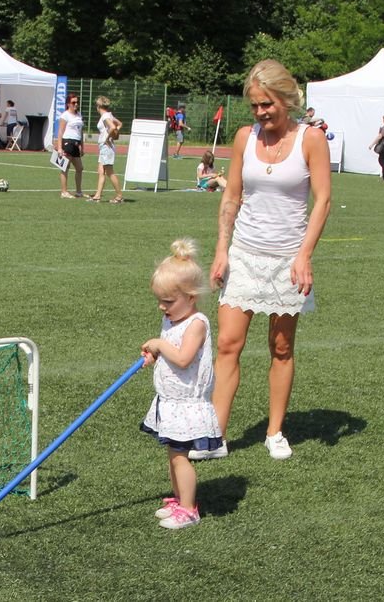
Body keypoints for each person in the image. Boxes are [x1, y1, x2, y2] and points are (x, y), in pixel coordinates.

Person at [209, 59, 331, 461]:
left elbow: (323, 201)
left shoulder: (311, 139)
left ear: (286, 99)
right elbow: (231, 196)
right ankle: (215, 434)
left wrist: (304, 255)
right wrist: (221, 250)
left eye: (267, 104)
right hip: (244, 252)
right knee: (228, 343)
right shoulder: (245, 137)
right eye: (256, 106)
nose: (261, 113)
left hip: (287, 260)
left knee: (281, 347)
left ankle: (274, 432)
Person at [140, 238, 222, 529]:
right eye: (159, 300)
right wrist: (155, 354)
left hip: (187, 404)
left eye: (169, 301)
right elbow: (171, 350)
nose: (163, 307)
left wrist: (160, 345)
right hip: (171, 401)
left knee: (180, 457)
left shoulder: (196, 323)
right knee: (173, 454)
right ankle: (179, 498)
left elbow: (184, 357)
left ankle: (189, 509)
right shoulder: (174, 319)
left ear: (192, 297)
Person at [86, 96, 124, 203]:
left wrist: (108, 138)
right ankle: (97, 195)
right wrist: (113, 135)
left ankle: (119, 196)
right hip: (104, 147)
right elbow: (119, 124)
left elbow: (112, 127)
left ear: (98, 106)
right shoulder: (108, 115)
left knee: (109, 172)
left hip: (106, 146)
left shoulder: (105, 116)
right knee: (101, 171)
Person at [54, 93, 85, 198]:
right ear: (68, 104)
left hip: (76, 143)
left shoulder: (79, 115)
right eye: (73, 102)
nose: (76, 104)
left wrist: (82, 146)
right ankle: (64, 191)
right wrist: (59, 147)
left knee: (80, 168)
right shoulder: (65, 115)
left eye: (77, 102)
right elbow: (60, 132)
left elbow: (80, 132)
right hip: (68, 142)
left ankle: (79, 191)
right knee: (65, 167)